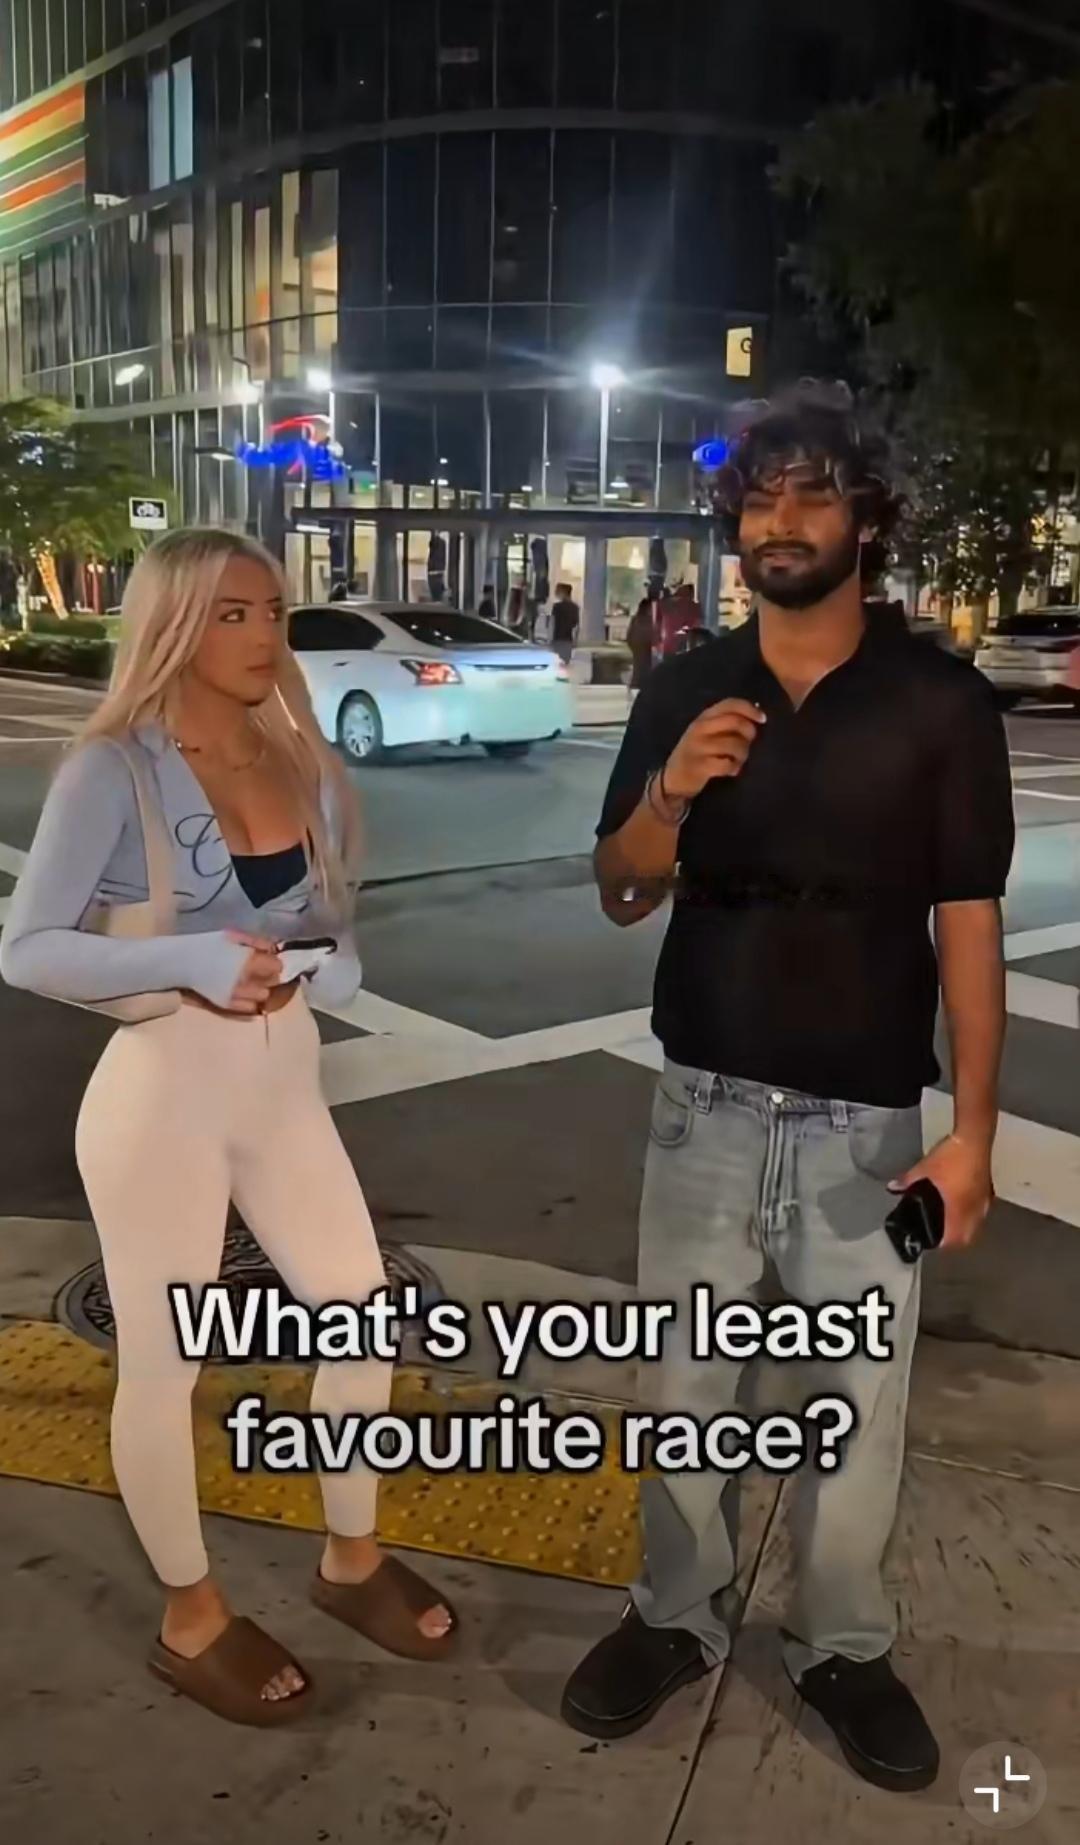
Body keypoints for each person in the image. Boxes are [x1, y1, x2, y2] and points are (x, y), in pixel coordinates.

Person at [561, 384, 1015, 1792]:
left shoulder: (940, 702)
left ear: (867, 517)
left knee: (855, 1406)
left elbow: (969, 923)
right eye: (761, 497)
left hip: (865, 1128)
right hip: (701, 1101)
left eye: (813, 493)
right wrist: (670, 796)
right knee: (683, 1387)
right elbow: (620, 887)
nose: (781, 519)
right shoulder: (687, 687)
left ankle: (841, 1646)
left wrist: (973, 1137)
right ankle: (674, 1615)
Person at [0, 528, 456, 1727]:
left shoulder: (297, 756)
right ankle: (191, 1616)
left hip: (282, 1085)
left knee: (360, 1317)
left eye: (273, 611)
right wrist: (189, 959)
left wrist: (335, 965)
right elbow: (29, 948)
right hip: (163, 1095)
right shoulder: (114, 770)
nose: (263, 635)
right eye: (231, 613)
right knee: (165, 1361)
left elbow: (323, 925)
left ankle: (350, 1558)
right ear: (172, 625)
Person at [626, 594, 656, 690]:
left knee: (638, 666)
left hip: (637, 645)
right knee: (644, 666)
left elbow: (630, 633)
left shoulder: (636, 618)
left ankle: (636, 683)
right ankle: (641, 684)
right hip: (644, 645)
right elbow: (651, 633)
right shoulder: (649, 620)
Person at [550, 581, 580, 665]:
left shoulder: (557, 606)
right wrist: (575, 641)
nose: (555, 593)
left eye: (557, 591)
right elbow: (576, 625)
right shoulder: (575, 607)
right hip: (568, 640)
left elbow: (552, 623)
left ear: (563, 592)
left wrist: (549, 639)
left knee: (557, 664)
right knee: (566, 663)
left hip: (558, 639)